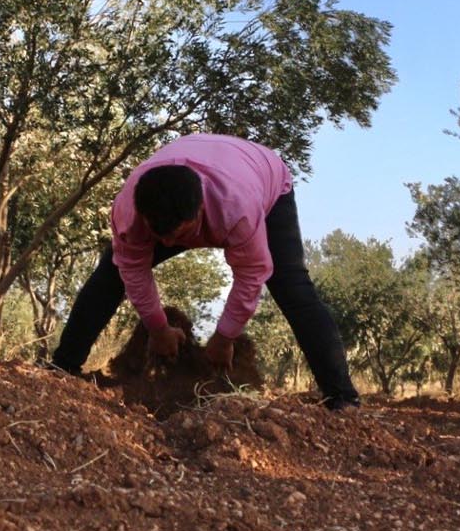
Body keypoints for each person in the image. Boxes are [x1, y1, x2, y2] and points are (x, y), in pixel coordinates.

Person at [50, 133, 361, 410]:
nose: (170, 243)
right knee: (110, 273)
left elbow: (252, 274)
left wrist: (226, 337)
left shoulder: (237, 209)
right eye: (161, 235)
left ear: (199, 211)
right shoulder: (129, 212)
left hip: (264, 176)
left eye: (179, 233)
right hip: (197, 169)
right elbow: (132, 268)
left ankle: (342, 396)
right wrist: (157, 328)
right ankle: (62, 368)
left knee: (293, 287)